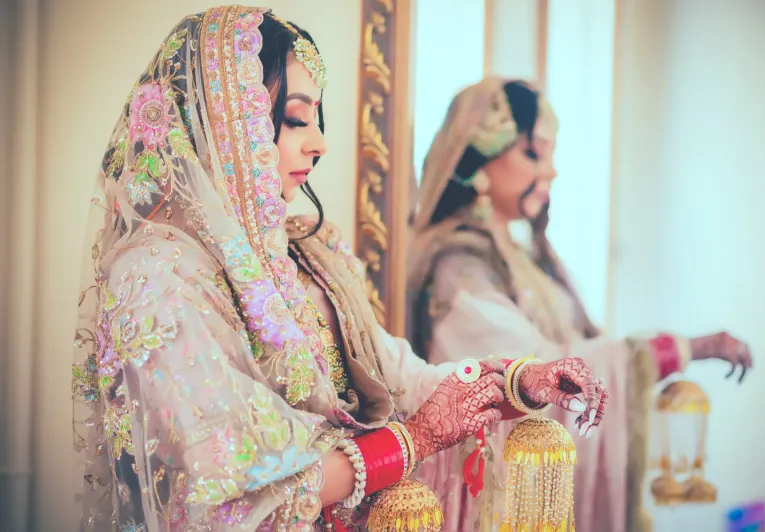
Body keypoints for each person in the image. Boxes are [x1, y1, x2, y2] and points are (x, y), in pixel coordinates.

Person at [70, 8, 609, 531]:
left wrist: (520, 381)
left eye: (315, 120)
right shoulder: (158, 274)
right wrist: (412, 442)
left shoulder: (305, 251)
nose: (319, 142)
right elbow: (225, 492)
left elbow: (401, 379)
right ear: (223, 125)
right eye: (293, 120)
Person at [406, 78, 754, 532]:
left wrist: (668, 354)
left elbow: (586, 350)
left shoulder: (529, 255)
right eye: (533, 154)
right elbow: (534, 371)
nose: (550, 173)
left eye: (551, 157)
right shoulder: (458, 264)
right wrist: (683, 349)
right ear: (482, 159)